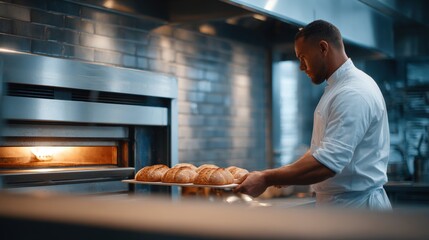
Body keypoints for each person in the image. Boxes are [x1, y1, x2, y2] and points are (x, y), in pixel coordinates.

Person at [234, 19, 391, 210]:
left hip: (356, 210)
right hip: (341, 206)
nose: (301, 66)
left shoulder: (352, 92)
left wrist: (268, 178)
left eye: (302, 57)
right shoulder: (338, 88)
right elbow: (321, 150)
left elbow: (326, 164)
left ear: (323, 48)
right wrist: (286, 173)